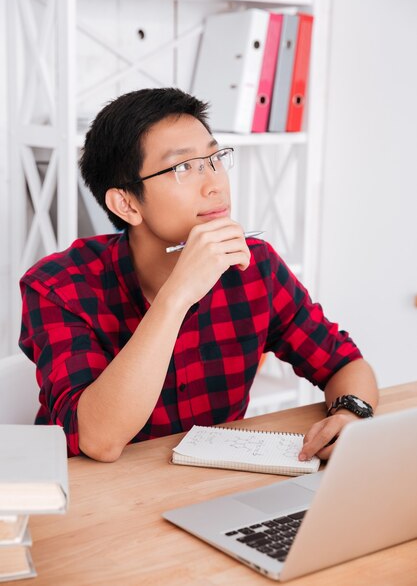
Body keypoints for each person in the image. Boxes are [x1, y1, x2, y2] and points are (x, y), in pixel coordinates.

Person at [19, 88, 378, 462]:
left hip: (208, 489)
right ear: (126, 203)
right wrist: (177, 296)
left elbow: (344, 363)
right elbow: (99, 440)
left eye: (215, 158)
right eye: (182, 168)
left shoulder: (254, 266)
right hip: (91, 500)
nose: (215, 184)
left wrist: (352, 413)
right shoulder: (58, 285)